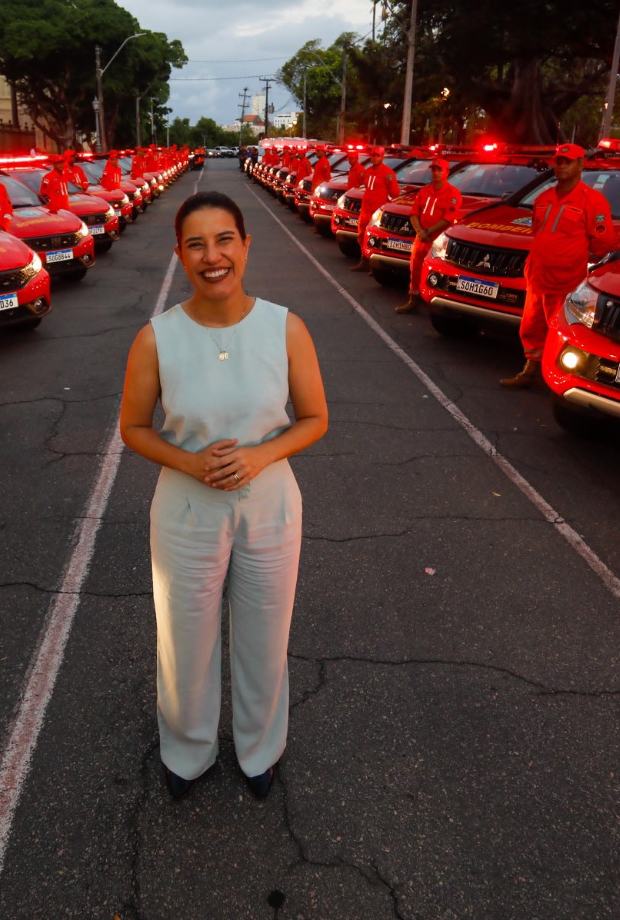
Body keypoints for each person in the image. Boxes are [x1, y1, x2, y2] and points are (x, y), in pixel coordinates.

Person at [120, 190, 328, 802]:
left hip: (271, 503)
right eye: (196, 244)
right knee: (185, 638)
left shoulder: (284, 327)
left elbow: (314, 417)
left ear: (245, 244)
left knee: (266, 635)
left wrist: (262, 454)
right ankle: (188, 752)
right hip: (187, 508)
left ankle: (259, 749)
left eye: (224, 239)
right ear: (180, 255)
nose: (213, 256)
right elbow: (133, 427)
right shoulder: (156, 338)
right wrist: (187, 461)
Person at [501, 143, 613, 388]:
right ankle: (530, 369)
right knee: (531, 326)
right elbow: (538, 233)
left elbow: (602, 244)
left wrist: (570, 258)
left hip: (565, 281)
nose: (561, 166)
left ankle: (555, 379)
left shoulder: (592, 201)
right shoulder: (543, 198)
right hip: (537, 276)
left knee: (559, 332)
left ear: (581, 165)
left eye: (567, 162)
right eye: (558, 161)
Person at [396, 157, 463, 315]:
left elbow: (447, 218)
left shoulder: (453, 193)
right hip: (421, 237)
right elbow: (414, 213)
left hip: (437, 241)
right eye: (434, 170)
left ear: (447, 172)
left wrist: (428, 232)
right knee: (416, 268)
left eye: (440, 170)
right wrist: (420, 231)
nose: (436, 173)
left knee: (436, 272)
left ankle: (434, 304)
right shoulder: (424, 191)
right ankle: (413, 300)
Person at [350, 146, 400, 272]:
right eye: (373, 155)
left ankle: (375, 265)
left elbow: (395, 193)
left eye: (377, 155)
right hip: (366, 209)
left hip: (377, 212)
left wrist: (385, 204)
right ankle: (364, 260)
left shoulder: (388, 173)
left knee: (376, 238)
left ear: (382, 157)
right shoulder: (367, 171)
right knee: (362, 236)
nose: (374, 158)